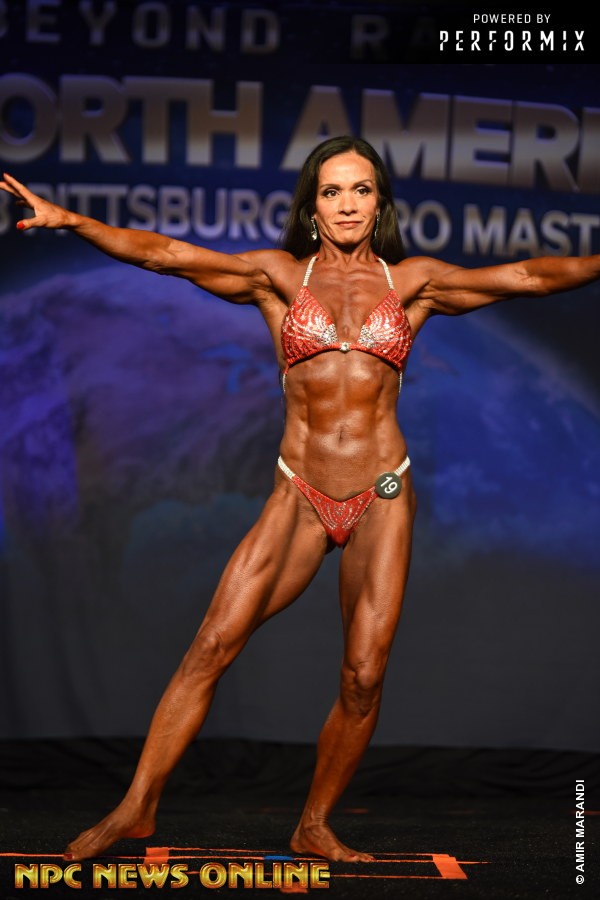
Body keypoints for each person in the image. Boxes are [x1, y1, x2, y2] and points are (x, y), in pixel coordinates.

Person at [1, 136, 598, 863]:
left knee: (364, 675)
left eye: (361, 190)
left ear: (379, 203)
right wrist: (74, 221)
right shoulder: (279, 277)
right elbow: (165, 255)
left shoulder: (414, 283)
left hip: (383, 493)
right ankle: (136, 806)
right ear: (313, 206)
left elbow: (530, 276)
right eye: (332, 191)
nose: (347, 204)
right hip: (301, 494)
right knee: (212, 645)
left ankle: (314, 823)